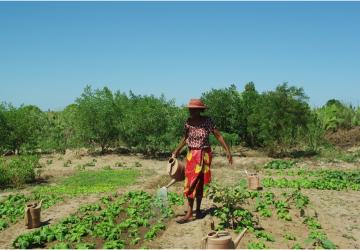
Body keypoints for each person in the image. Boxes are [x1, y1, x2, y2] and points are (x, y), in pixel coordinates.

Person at [172, 98, 233, 224]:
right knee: (190, 182)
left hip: (204, 154)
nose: (191, 111)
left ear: (200, 110)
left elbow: (218, 135)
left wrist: (228, 151)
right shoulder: (188, 122)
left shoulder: (207, 121)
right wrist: (176, 150)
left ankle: (197, 211)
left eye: (193, 109)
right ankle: (190, 212)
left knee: (199, 182)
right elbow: (185, 138)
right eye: (190, 109)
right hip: (191, 155)